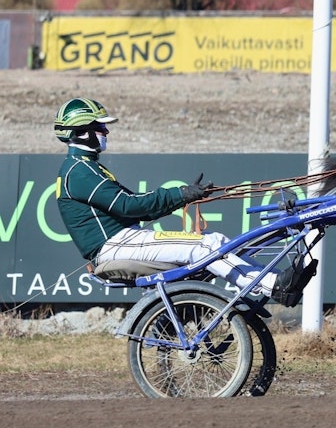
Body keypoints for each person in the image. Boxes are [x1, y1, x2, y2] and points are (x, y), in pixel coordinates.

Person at [53, 97, 299, 300]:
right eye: (100, 127)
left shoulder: (85, 167)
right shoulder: (79, 171)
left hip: (122, 240)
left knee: (215, 240)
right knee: (205, 246)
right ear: (82, 132)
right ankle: (273, 286)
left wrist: (183, 197)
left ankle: (275, 280)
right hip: (114, 246)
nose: (106, 131)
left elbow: (139, 208)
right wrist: (181, 194)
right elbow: (130, 206)